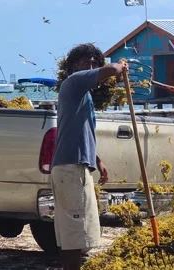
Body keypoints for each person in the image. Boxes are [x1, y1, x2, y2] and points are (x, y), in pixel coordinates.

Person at [51, 43, 128, 270]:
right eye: (87, 62)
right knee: (76, 232)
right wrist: (120, 66)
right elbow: (111, 70)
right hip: (70, 167)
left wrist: (97, 160)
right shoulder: (74, 82)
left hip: (76, 166)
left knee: (77, 232)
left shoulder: (84, 97)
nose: (92, 66)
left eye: (95, 63)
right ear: (74, 66)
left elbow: (80, 131)